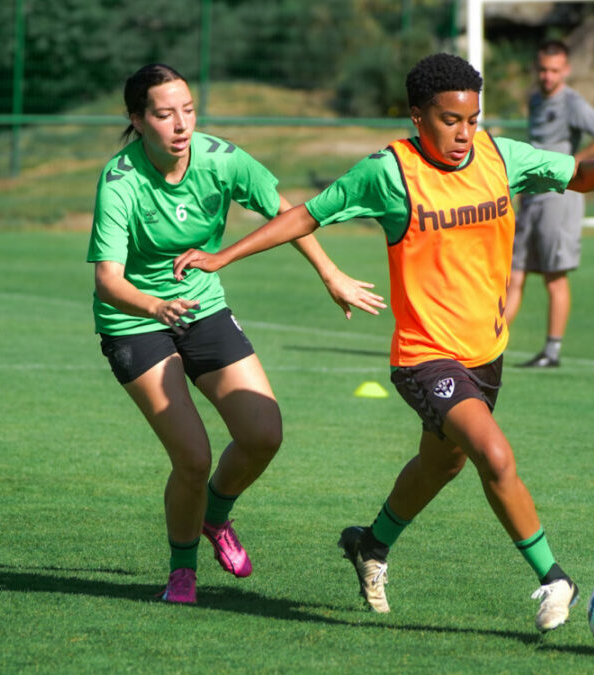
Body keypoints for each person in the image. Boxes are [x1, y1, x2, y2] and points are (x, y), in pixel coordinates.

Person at [172, 53, 594, 632]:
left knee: (439, 465)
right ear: (418, 117)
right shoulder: (388, 172)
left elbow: (575, 175)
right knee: (491, 455)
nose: (464, 133)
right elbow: (306, 216)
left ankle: (371, 545)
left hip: (485, 352)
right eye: (449, 120)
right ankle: (554, 578)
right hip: (424, 356)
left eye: (471, 119)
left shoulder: (501, 155)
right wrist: (223, 256)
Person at [87, 63, 386, 605]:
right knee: (193, 457)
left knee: (263, 433)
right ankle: (182, 570)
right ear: (136, 119)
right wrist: (155, 305)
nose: (181, 124)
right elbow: (107, 280)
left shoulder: (222, 160)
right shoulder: (120, 179)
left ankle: (215, 515)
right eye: (163, 113)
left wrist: (331, 273)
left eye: (188, 110)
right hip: (135, 320)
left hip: (202, 308)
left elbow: (287, 212)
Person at [504, 39, 594, 367]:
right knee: (514, 274)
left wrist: (574, 164)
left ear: (566, 70)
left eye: (554, 70)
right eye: (542, 69)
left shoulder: (572, 102)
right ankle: (490, 346)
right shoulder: (535, 100)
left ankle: (552, 351)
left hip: (560, 197)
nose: (547, 76)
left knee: (554, 276)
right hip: (531, 198)